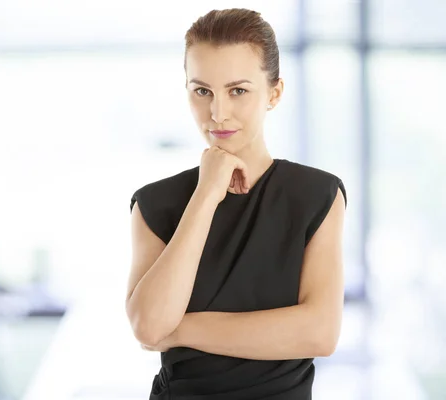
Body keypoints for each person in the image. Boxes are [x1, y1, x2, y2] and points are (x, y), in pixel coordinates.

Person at [125, 8, 347, 400]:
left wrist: (179, 330)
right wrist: (206, 193)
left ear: (274, 93)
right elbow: (148, 326)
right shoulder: (155, 204)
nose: (217, 113)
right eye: (202, 91)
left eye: (238, 91)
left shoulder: (316, 196)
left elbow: (319, 333)